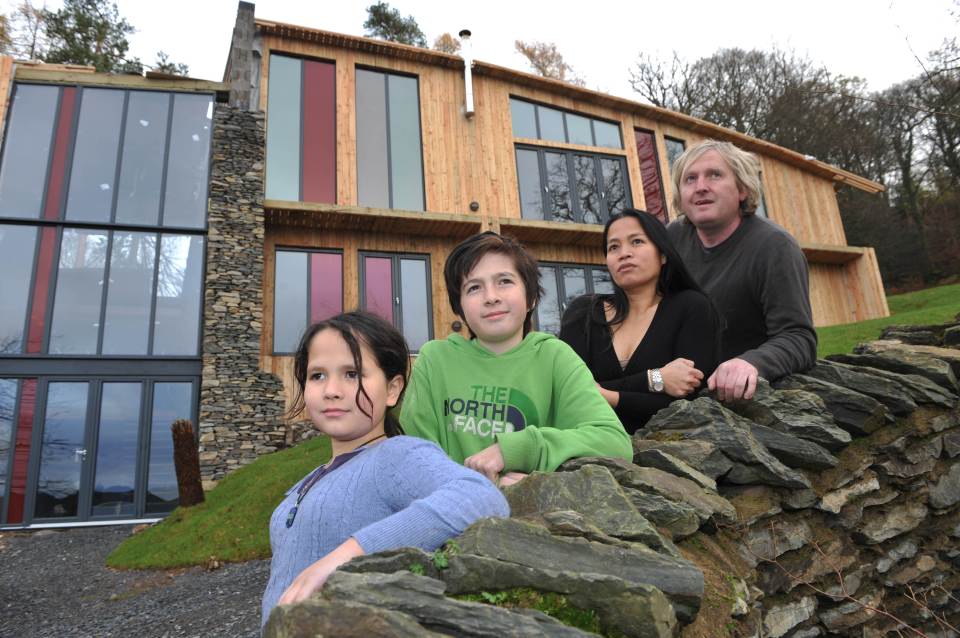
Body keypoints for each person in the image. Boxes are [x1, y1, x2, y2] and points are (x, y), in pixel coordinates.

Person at [261, 311, 509, 626]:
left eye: (352, 373)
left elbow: (482, 496)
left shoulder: (395, 454)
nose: (331, 390)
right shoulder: (308, 481)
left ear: (392, 389)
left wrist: (348, 554)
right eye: (317, 375)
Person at [400, 232, 633, 486]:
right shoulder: (434, 360)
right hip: (450, 512)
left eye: (504, 281)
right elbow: (413, 457)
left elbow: (614, 443)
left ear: (531, 297)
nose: (491, 297)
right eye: (474, 287)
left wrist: (521, 450)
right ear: (460, 306)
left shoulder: (555, 357)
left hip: (535, 516)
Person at [667, 139, 817, 402]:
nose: (701, 187)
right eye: (690, 179)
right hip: (669, 387)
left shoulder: (775, 248)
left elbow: (798, 337)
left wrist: (750, 363)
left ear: (742, 189)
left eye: (714, 175)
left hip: (730, 399)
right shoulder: (671, 239)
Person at [559, 209, 719, 433]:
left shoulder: (692, 307)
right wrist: (657, 378)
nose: (624, 253)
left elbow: (685, 404)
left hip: (669, 450)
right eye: (613, 247)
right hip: (588, 445)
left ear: (662, 254)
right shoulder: (584, 313)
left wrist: (609, 396)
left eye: (636, 241)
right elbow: (567, 394)